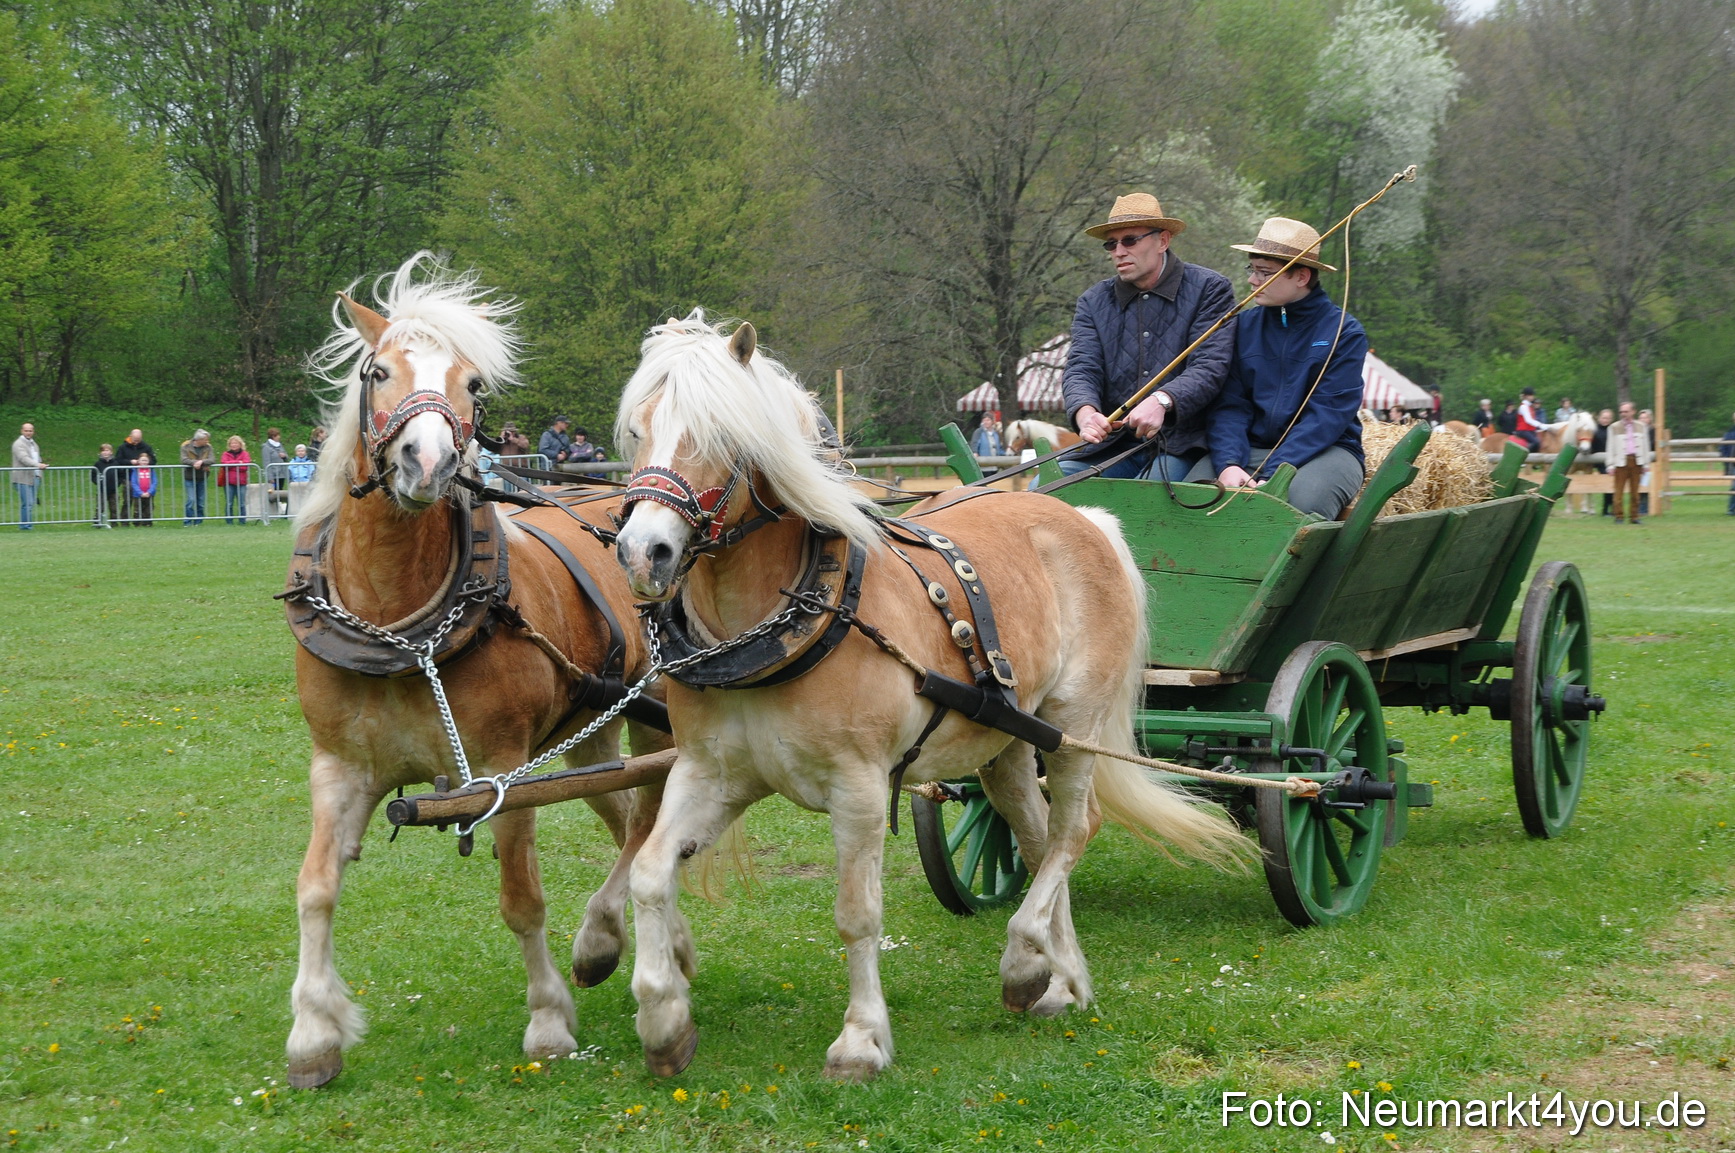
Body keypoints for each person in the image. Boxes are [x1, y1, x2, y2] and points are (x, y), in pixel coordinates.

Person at [1186, 217, 1368, 520]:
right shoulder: (1243, 326)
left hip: (1326, 451)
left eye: (1265, 272)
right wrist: (1229, 463)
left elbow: (1327, 416)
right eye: (1252, 269)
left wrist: (1274, 473)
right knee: (1189, 496)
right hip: (1250, 448)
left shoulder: (1344, 333)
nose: (1252, 280)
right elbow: (1229, 405)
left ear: (1301, 276)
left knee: (1296, 505)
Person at [1061, 192, 1235, 480]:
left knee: (1148, 503)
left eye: (1130, 240)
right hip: (1111, 446)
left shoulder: (1209, 289)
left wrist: (1163, 401)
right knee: (1045, 487)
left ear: (1163, 241)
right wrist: (1085, 412)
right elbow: (1081, 367)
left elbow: (1210, 366)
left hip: (1183, 445)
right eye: (1111, 244)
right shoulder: (1092, 301)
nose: (1119, 251)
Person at [1606, 401, 1650, 524]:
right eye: (1621, 412)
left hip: (1636, 461)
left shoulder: (1641, 426)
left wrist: (1646, 464)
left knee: (1635, 492)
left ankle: (1634, 516)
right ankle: (1619, 516)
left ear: (1633, 411)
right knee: (1618, 492)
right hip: (1621, 462)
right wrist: (1610, 465)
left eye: (1626, 411)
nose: (1623, 414)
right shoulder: (1614, 427)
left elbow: (1646, 446)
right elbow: (1610, 447)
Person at [114, 429, 154, 526]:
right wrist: (130, 462)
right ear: (130, 436)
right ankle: (124, 521)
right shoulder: (123, 447)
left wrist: (143, 463)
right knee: (128, 498)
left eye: (138, 439)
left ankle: (144, 521)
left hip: (144, 477)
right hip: (127, 476)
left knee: (145, 499)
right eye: (135, 439)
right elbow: (117, 461)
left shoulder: (146, 447)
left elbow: (153, 461)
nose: (136, 441)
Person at [10, 422, 44, 531]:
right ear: (22, 431)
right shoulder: (18, 444)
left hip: (34, 477)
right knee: (27, 503)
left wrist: (39, 473)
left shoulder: (34, 444)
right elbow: (24, 458)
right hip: (22, 478)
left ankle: (28, 525)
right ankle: (25, 526)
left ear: (33, 432)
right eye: (26, 430)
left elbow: (37, 458)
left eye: (30, 431)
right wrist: (38, 465)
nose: (28, 433)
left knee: (31, 503)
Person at [181, 429, 214, 526]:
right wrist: (194, 463)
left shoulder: (208, 447)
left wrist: (202, 462)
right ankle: (188, 521)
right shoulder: (185, 446)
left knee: (200, 501)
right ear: (199, 440)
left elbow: (212, 459)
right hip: (190, 476)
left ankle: (198, 522)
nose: (207, 441)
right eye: (205, 439)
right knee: (191, 499)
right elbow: (183, 459)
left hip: (202, 476)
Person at [220, 436, 251, 525]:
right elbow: (224, 464)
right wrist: (238, 462)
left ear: (240, 444)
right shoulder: (225, 454)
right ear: (229, 445)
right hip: (228, 482)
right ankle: (229, 521)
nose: (234, 445)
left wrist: (232, 464)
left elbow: (245, 466)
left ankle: (242, 521)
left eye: (236, 443)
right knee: (229, 502)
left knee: (241, 503)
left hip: (241, 482)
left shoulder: (245, 454)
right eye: (232, 443)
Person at [1589, 408, 1615, 515]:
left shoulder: (1613, 430)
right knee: (1607, 485)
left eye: (1608, 418)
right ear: (1599, 418)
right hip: (1599, 462)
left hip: (1612, 461)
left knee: (1613, 486)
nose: (1606, 420)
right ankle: (1605, 509)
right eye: (1604, 418)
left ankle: (1611, 508)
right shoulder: (1594, 431)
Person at [91, 443, 121, 527]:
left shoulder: (116, 463)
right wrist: (98, 482)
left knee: (114, 507)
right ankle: (97, 522)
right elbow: (93, 475)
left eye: (107, 450)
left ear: (111, 452)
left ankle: (114, 523)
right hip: (101, 490)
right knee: (100, 507)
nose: (105, 452)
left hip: (113, 489)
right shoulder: (98, 464)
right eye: (103, 451)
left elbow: (121, 474)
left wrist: (117, 483)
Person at [129, 452, 158, 526]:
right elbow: (134, 482)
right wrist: (140, 492)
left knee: (149, 509)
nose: (144, 462)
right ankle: (137, 523)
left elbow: (154, 482)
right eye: (142, 460)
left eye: (146, 460)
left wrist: (149, 492)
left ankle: (147, 523)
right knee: (137, 509)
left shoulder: (151, 470)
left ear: (148, 461)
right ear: (138, 461)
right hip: (138, 494)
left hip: (149, 494)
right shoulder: (135, 470)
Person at [1513, 387, 1546, 451]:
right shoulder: (1523, 407)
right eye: (1531, 395)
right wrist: (1540, 425)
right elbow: (1528, 420)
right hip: (1523, 430)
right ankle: (1523, 455)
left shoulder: (1529, 406)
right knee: (1536, 442)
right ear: (1527, 396)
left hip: (1530, 430)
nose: (1533, 397)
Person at [1722, 411, 1735, 516]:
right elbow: (1724, 449)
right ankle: (1732, 509)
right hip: (1734, 463)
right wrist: (1727, 463)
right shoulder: (1730, 433)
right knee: (1734, 487)